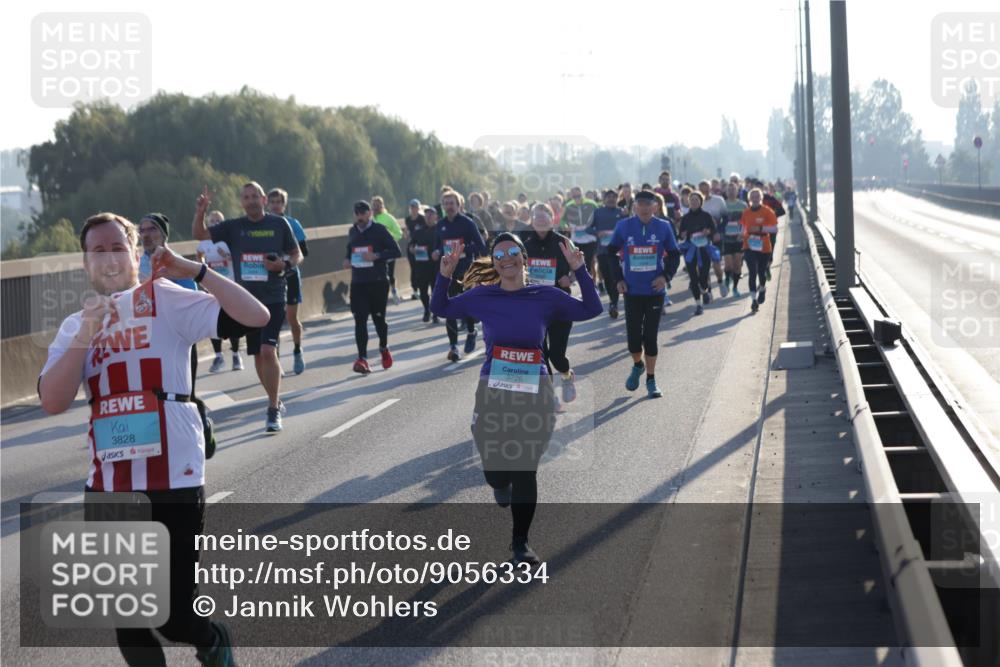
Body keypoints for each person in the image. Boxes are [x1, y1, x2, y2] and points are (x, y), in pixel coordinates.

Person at [39, 212, 270, 667]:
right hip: (109, 481)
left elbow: (255, 316)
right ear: (85, 262)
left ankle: (210, 638)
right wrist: (87, 331)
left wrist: (197, 272)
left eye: (117, 247)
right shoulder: (75, 326)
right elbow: (52, 400)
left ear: (136, 253)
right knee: (129, 614)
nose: (107, 258)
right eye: (97, 250)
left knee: (173, 617)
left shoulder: (164, 298)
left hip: (175, 473)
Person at [430, 232, 601, 565]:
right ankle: (498, 479)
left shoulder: (545, 295)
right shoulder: (484, 296)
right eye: (498, 255)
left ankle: (520, 543)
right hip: (493, 387)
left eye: (511, 252)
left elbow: (591, 308)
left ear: (523, 257)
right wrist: (445, 274)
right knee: (497, 473)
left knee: (525, 469)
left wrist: (580, 269)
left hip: (534, 387)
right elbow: (441, 307)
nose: (505, 258)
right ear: (494, 263)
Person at [192, 182, 301, 433]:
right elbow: (200, 234)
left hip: (274, 295)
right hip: (246, 301)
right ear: (242, 201)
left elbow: (296, 254)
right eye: (246, 197)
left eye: (255, 196)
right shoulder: (233, 227)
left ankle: (273, 409)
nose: (251, 201)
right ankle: (275, 398)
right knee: (257, 355)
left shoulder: (278, 224)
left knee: (266, 350)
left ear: (263, 199)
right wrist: (200, 210)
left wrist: (283, 265)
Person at [605, 190, 680, 399]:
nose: (645, 208)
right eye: (641, 204)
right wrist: (618, 279)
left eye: (649, 204)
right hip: (632, 291)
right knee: (633, 340)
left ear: (655, 206)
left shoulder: (664, 227)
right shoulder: (624, 226)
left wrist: (665, 276)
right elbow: (609, 253)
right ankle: (637, 365)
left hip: (655, 291)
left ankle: (651, 379)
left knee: (650, 337)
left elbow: (674, 254)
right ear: (635, 206)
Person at [521, 203, 579, 405]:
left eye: (545, 216)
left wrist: (570, 279)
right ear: (531, 220)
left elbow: (580, 265)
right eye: (537, 217)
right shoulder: (525, 245)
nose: (541, 220)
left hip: (560, 305)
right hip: (534, 307)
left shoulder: (563, 242)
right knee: (540, 354)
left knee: (556, 355)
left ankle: (567, 375)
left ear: (552, 218)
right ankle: (549, 395)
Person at [344, 200, 402, 373]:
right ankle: (362, 359)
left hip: (378, 282)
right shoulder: (352, 231)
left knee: (378, 320)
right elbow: (350, 250)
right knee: (359, 320)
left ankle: (384, 347)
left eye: (363, 213)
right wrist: (347, 259)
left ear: (369, 213)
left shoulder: (379, 230)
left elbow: (396, 251)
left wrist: (376, 255)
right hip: (358, 283)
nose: (360, 216)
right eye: (357, 213)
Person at [432, 189, 487, 361]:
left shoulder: (467, 223)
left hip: (465, 270)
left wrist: (462, 251)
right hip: (447, 271)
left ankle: (471, 331)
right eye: (446, 203)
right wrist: (435, 252)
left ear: (459, 205)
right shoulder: (440, 225)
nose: (449, 206)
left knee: (466, 306)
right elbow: (437, 246)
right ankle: (453, 346)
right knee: (448, 307)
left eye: (452, 203)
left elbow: (481, 245)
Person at [267, 188, 309, 375]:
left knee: (291, 319)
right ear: (267, 203)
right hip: (270, 279)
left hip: (290, 276)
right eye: (273, 201)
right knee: (273, 320)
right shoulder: (263, 225)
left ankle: (298, 350)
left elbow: (304, 252)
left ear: (284, 204)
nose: (276, 205)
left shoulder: (293, 223)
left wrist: (286, 258)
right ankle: (275, 360)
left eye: (279, 202)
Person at [198, 211, 243, 372]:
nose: (215, 223)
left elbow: (238, 258)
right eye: (212, 221)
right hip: (212, 287)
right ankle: (218, 356)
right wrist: (203, 265)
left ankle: (236, 355)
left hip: (230, 285)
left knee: (232, 320)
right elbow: (199, 254)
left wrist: (227, 256)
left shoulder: (228, 240)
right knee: (212, 321)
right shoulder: (204, 242)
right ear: (208, 224)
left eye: (218, 220)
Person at [678, 192, 720, 316]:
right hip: (690, 250)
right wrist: (683, 235)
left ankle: (704, 290)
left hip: (704, 249)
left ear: (700, 202)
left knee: (703, 276)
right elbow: (680, 234)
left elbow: (714, 231)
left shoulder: (706, 216)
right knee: (693, 278)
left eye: (696, 200)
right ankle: (698, 305)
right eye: (692, 200)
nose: (694, 202)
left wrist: (709, 232)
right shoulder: (685, 218)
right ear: (689, 202)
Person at [586, 189, 626, 318]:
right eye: (608, 197)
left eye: (614, 197)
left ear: (617, 199)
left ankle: (617, 303)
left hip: (620, 252)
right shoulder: (598, 212)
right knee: (608, 278)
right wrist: (598, 233)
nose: (611, 199)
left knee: (618, 277)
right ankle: (613, 302)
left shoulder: (622, 212)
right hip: (603, 251)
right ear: (604, 199)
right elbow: (588, 228)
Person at [740, 188, 778, 314]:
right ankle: (753, 300)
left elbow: (774, 229)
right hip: (749, 245)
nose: (755, 198)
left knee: (761, 271)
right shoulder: (746, 212)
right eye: (753, 196)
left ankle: (762, 288)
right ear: (749, 199)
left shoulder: (767, 211)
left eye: (757, 196)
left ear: (760, 198)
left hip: (764, 245)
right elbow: (743, 227)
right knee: (752, 271)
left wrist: (761, 228)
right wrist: (743, 234)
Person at [407, 205, 440, 323]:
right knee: (423, 290)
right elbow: (411, 244)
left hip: (435, 265)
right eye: (427, 214)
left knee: (435, 290)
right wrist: (412, 249)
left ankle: (435, 312)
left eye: (431, 214)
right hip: (421, 264)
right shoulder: (418, 230)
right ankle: (427, 309)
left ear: (436, 216)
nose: (429, 216)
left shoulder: (439, 229)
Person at [697, 180, 729, 296]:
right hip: (702, 238)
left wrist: (719, 232)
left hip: (716, 236)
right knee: (704, 266)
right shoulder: (697, 203)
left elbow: (725, 218)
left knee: (716, 264)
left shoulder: (718, 200)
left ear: (710, 189)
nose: (704, 192)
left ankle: (720, 282)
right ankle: (709, 290)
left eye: (706, 189)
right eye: (701, 190)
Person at [561, 186, 599, 281]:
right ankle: (585, 284)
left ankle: (593, 284)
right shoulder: (568, 206)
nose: (577, 197)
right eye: (574, 196)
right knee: (580, 263)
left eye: (578, 195)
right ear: (571, 196)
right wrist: (565, 226)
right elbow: (562, 220)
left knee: (590, 262)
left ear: (582, 194)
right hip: (576, 239)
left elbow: (599, 216)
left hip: (590, 238)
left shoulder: (592, 203)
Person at [371, 196, 404, 305]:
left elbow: (399, 233)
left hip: (388, 251)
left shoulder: (388, 218)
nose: (375, 207)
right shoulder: (371, 220)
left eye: (377, 205)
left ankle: (394, 291)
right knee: (377, 273)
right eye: (373, 205)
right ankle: (380, 296)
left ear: (382, 205)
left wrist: (389, 239)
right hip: (375, 253)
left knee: (389, 274)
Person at [722, 182, 748, 297]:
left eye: (734, 189)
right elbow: (718, 222)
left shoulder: (743, 205)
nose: (731, 191)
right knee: (728, 265)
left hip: (739, 238)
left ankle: (735, 288)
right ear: (726, 192)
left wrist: (743, 233)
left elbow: (747, 222)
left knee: (737, 265)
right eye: (729, 190)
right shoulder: (723, 205)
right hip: (726, 239)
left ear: (737, 191)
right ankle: (727, 279)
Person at [404, 199, 427, 300]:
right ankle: (415, 290)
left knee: (421, 268)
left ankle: (424, 289)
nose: (413, 209)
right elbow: (407, 232)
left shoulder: (422, 219)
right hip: (411, 246)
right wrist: (407, 236)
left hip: (421, 246)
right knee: (413, 269)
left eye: (415, 207)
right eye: (411, 207)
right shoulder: (408, 219)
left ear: (419, 208)